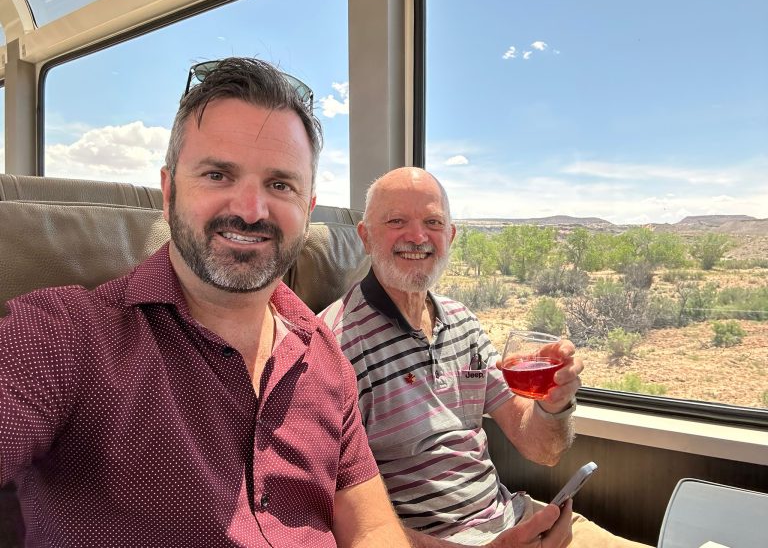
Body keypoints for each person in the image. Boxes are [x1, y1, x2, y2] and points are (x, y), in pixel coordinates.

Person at [0, 58, 410, 548]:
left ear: (307, 206)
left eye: (280, 184)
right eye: (218, 174)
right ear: (169, 190)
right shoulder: (63, 337)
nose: (249, 209)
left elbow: (371, 529)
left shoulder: (325, 356)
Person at [320, 167, 651, 548]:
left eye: (433, 222)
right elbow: (335, 518)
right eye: (397, 221)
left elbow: (542, 449)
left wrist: (554, 405)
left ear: (451, 236)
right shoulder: (332, 344)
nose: (417, 236)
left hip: (515, 520)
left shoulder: (462, 323)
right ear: (365, 236)